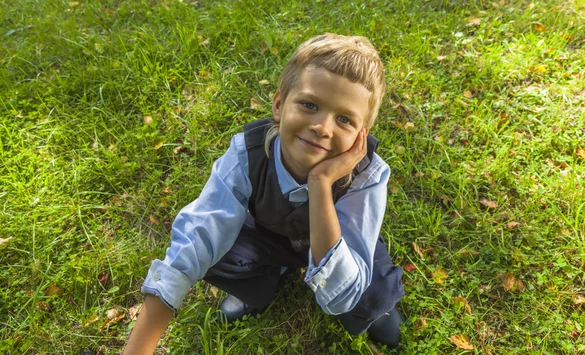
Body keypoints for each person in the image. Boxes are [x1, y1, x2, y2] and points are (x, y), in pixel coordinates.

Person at [124, 33, 405, 354]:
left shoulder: (369, 174)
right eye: (309, 105)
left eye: (344, 119)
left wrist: (321, 183)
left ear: (360, 136)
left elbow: (345, 291)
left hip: (342, 241)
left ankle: (373, 312)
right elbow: (194, 242)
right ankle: (261, 283)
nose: (323, 127)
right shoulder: (248, 152)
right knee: (220, 249)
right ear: (278, 104)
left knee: (371, 292)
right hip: (271, 232)